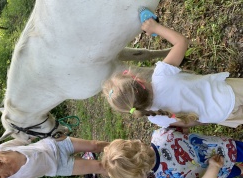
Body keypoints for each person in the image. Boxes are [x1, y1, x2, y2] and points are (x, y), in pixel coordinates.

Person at [102, 16, 243, 129]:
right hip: (229, 93)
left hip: (222, 115)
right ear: (138, 80)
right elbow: (181, 42)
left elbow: (188, 122)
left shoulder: (155, 117)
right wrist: (155, 27)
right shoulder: (161, 75)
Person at [101, 127, 243, 178]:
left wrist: (214, 167)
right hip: (226, 148)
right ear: (133, 143)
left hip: (220, 170)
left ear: (135, 175)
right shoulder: (160, 134)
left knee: (238, 171)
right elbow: (184, 126)